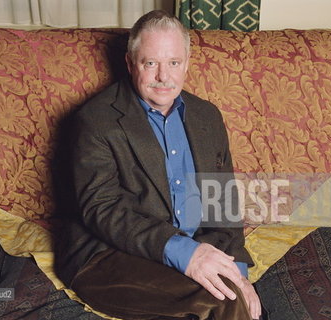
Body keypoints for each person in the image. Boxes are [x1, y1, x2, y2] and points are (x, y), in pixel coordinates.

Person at [55, 10, 262, 320]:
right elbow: (103, 208)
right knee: (224, 301)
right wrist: (185, 252)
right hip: (108, 255)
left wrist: (238, 272)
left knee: (234, 292)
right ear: (129, 64)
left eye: (174, 63)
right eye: (150, 63)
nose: (164, 77)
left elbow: (224, 203)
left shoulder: (207, 117)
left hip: (193, 246)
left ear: (187, 64)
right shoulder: (95, 121)